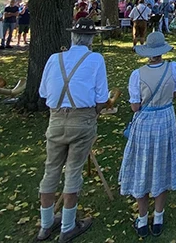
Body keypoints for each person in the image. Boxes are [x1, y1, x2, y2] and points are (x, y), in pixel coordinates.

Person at [35, 18, 109, 243]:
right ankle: (67, 225)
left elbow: (43, 92)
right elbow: (102, 97)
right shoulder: (95, 59)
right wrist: (93, 113)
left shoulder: (54, 58)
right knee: (73, 170)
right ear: (91, 39)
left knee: (51, 170)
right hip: (82, 117)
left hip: (56, 117)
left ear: (73, 37)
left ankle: (45, 225)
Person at [119, 32, 176, 237]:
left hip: (146, 122)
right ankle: (159, 216)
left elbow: (135, 106)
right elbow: (175, 93)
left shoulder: (137, 75)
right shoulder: (173, 69)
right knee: (162, 165)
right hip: (165, 119)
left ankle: (142, 219)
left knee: (143, 167)